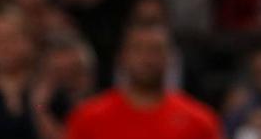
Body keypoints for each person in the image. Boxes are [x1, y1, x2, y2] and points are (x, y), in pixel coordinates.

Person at [63, 20, 221, 139]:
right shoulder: (88, 118)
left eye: (155, 50)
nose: (147, 58)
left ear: (170, 59)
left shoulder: (199, 121)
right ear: (122, 57)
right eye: (138, 49)